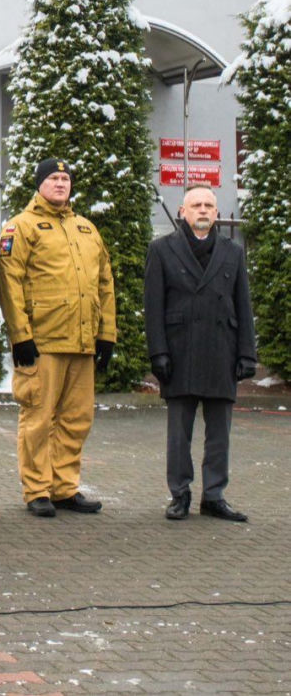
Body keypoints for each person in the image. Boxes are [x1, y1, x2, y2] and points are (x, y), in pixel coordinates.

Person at [0, 158, 116, 517]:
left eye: (65, 178)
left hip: (81, 342)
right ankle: (36, 490)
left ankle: (64, 488)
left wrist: (106, 334)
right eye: (53, 178)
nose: (61, 184)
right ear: (39, 184)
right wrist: (20, 336)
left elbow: (105, 283)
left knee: (76, 418)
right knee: (38, 417)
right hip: (43, 341)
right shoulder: (21, 226)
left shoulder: (86, 229)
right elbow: (9, 282)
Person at [144, 185, 256, 522]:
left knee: (219, 431)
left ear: (215, 211)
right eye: (196, 205)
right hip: (179, 352)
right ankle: (179, 494)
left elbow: (243, 304)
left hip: (222, 350)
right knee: (179, 432)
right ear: (182, 211)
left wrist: (247, 354)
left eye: (209, 205)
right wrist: (158, 352)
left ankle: (214, 495)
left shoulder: (232, 252)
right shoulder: (162, 250)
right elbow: (153, 306)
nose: (203, 210)